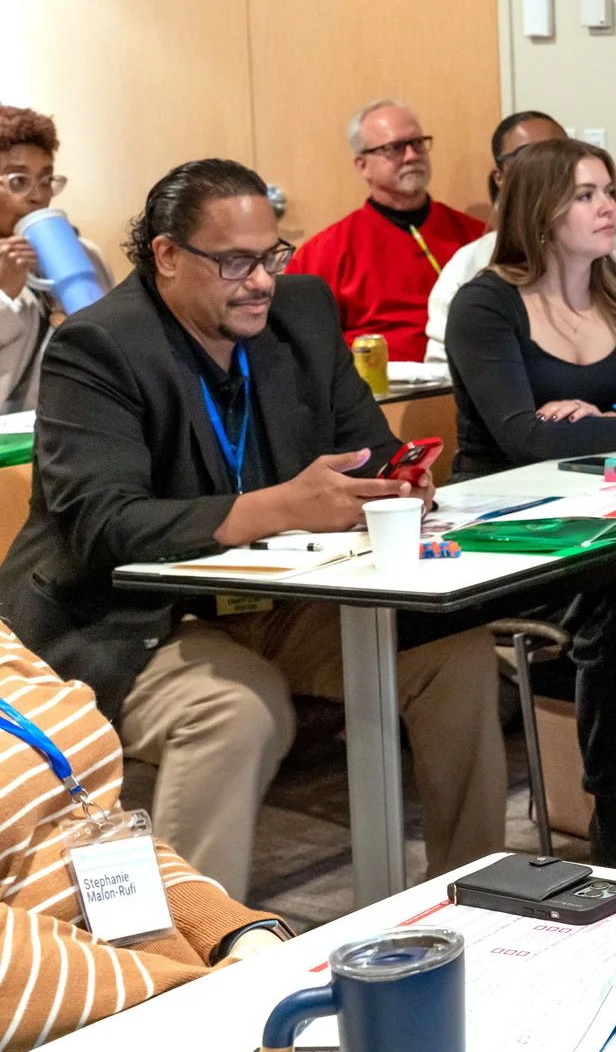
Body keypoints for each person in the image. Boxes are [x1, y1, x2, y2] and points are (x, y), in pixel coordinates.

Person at [0, 160, 506, 897]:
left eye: (272, 256)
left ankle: (477, 898)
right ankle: (195, 946)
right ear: (167, 255)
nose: (262, 280)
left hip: (275, 593)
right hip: (125, 615)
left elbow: (367, 446)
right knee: (235, 709)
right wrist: (285, 506)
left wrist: (396, 479)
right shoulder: (100, 344)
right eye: (235, 262)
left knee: (453, 654)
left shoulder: (301, 314)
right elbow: (102, 524)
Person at [442, 138, 616, 871]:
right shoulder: (485, 304)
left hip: (608, 508)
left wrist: (610, 418)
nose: (608, 208)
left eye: (609, 190)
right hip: (505, 531)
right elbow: (522, 439)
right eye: (584, 195)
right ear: (539, 211)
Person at [0, 618, 291, 1052]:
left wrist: (229, 928)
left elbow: (88, 819)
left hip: (162, 993)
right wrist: (185, 996)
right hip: (85, 1038)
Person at [424, 111, 616, 364]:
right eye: (530, 156)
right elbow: (444, 371)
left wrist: (615, 394)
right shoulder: (469, 269)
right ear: (501, 178)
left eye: (560, 152)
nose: (548, 166)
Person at [291, 100, 486, 361]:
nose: (412, 156)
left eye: (417, 143)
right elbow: (301, 340)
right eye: (394, 148)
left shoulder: (475, 236)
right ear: (362, 165)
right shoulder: (325, 252)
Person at [0, 105, 112, 414]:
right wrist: (4, 295)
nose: (38, 195)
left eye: (46, 179)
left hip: (83, 426)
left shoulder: (85, 254)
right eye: (18, 181)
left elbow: (114, 346)